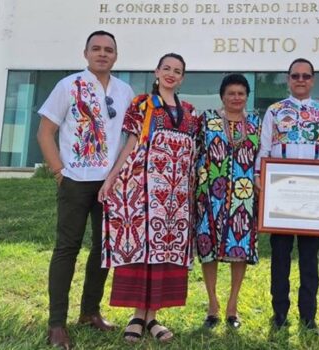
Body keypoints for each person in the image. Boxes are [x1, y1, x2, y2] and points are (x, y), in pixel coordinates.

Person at [37, 30, 135, 349]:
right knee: (67, 248)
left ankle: (90, 311)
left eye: (109, 50)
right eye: (96, 49)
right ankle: (56, 323)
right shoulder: (68, 86)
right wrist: (59, 171)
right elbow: (45, 131)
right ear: (86, 53)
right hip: (75, 180)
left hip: (110, 183)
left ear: (116, 56)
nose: (102, 54)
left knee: (103, 250)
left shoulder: (125, 91)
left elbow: (131, 136)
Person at [99, 53, 199, 343]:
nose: (171, 74)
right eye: (166, 68)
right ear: (157, 71)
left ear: (182, 78)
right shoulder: (142, 104)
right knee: (140, 249)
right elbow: (131, 142)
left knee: (165, 252)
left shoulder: (190, 112)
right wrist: (112, 177)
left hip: (175, 199)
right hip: (142, 190)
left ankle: (153, 316)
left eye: (177, 70)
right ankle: (136, 315)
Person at [256, 58, 319, 332]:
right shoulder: (274, 111)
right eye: (295, 76)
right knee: (280, 258)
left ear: (313, 80)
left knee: (309, 259)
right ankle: (279, 314)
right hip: (280, 196)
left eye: (306, 76)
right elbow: (265, 149)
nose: (300, 80)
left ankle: (309, 316)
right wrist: (260, 177)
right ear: (288, 79)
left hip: (314, 197)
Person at [195, 74, 261, 329]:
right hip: (210, 194)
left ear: (247, 96)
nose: (236, 98)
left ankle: (233, 306)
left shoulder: (256, 122)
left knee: (239, 248)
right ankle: (213, 305)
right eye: (231, 93)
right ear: (222, 95)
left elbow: (262, 157)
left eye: (241, 93)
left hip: (243, 197)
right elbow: (195, 151)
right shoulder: (208, 120)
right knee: (208, 247)